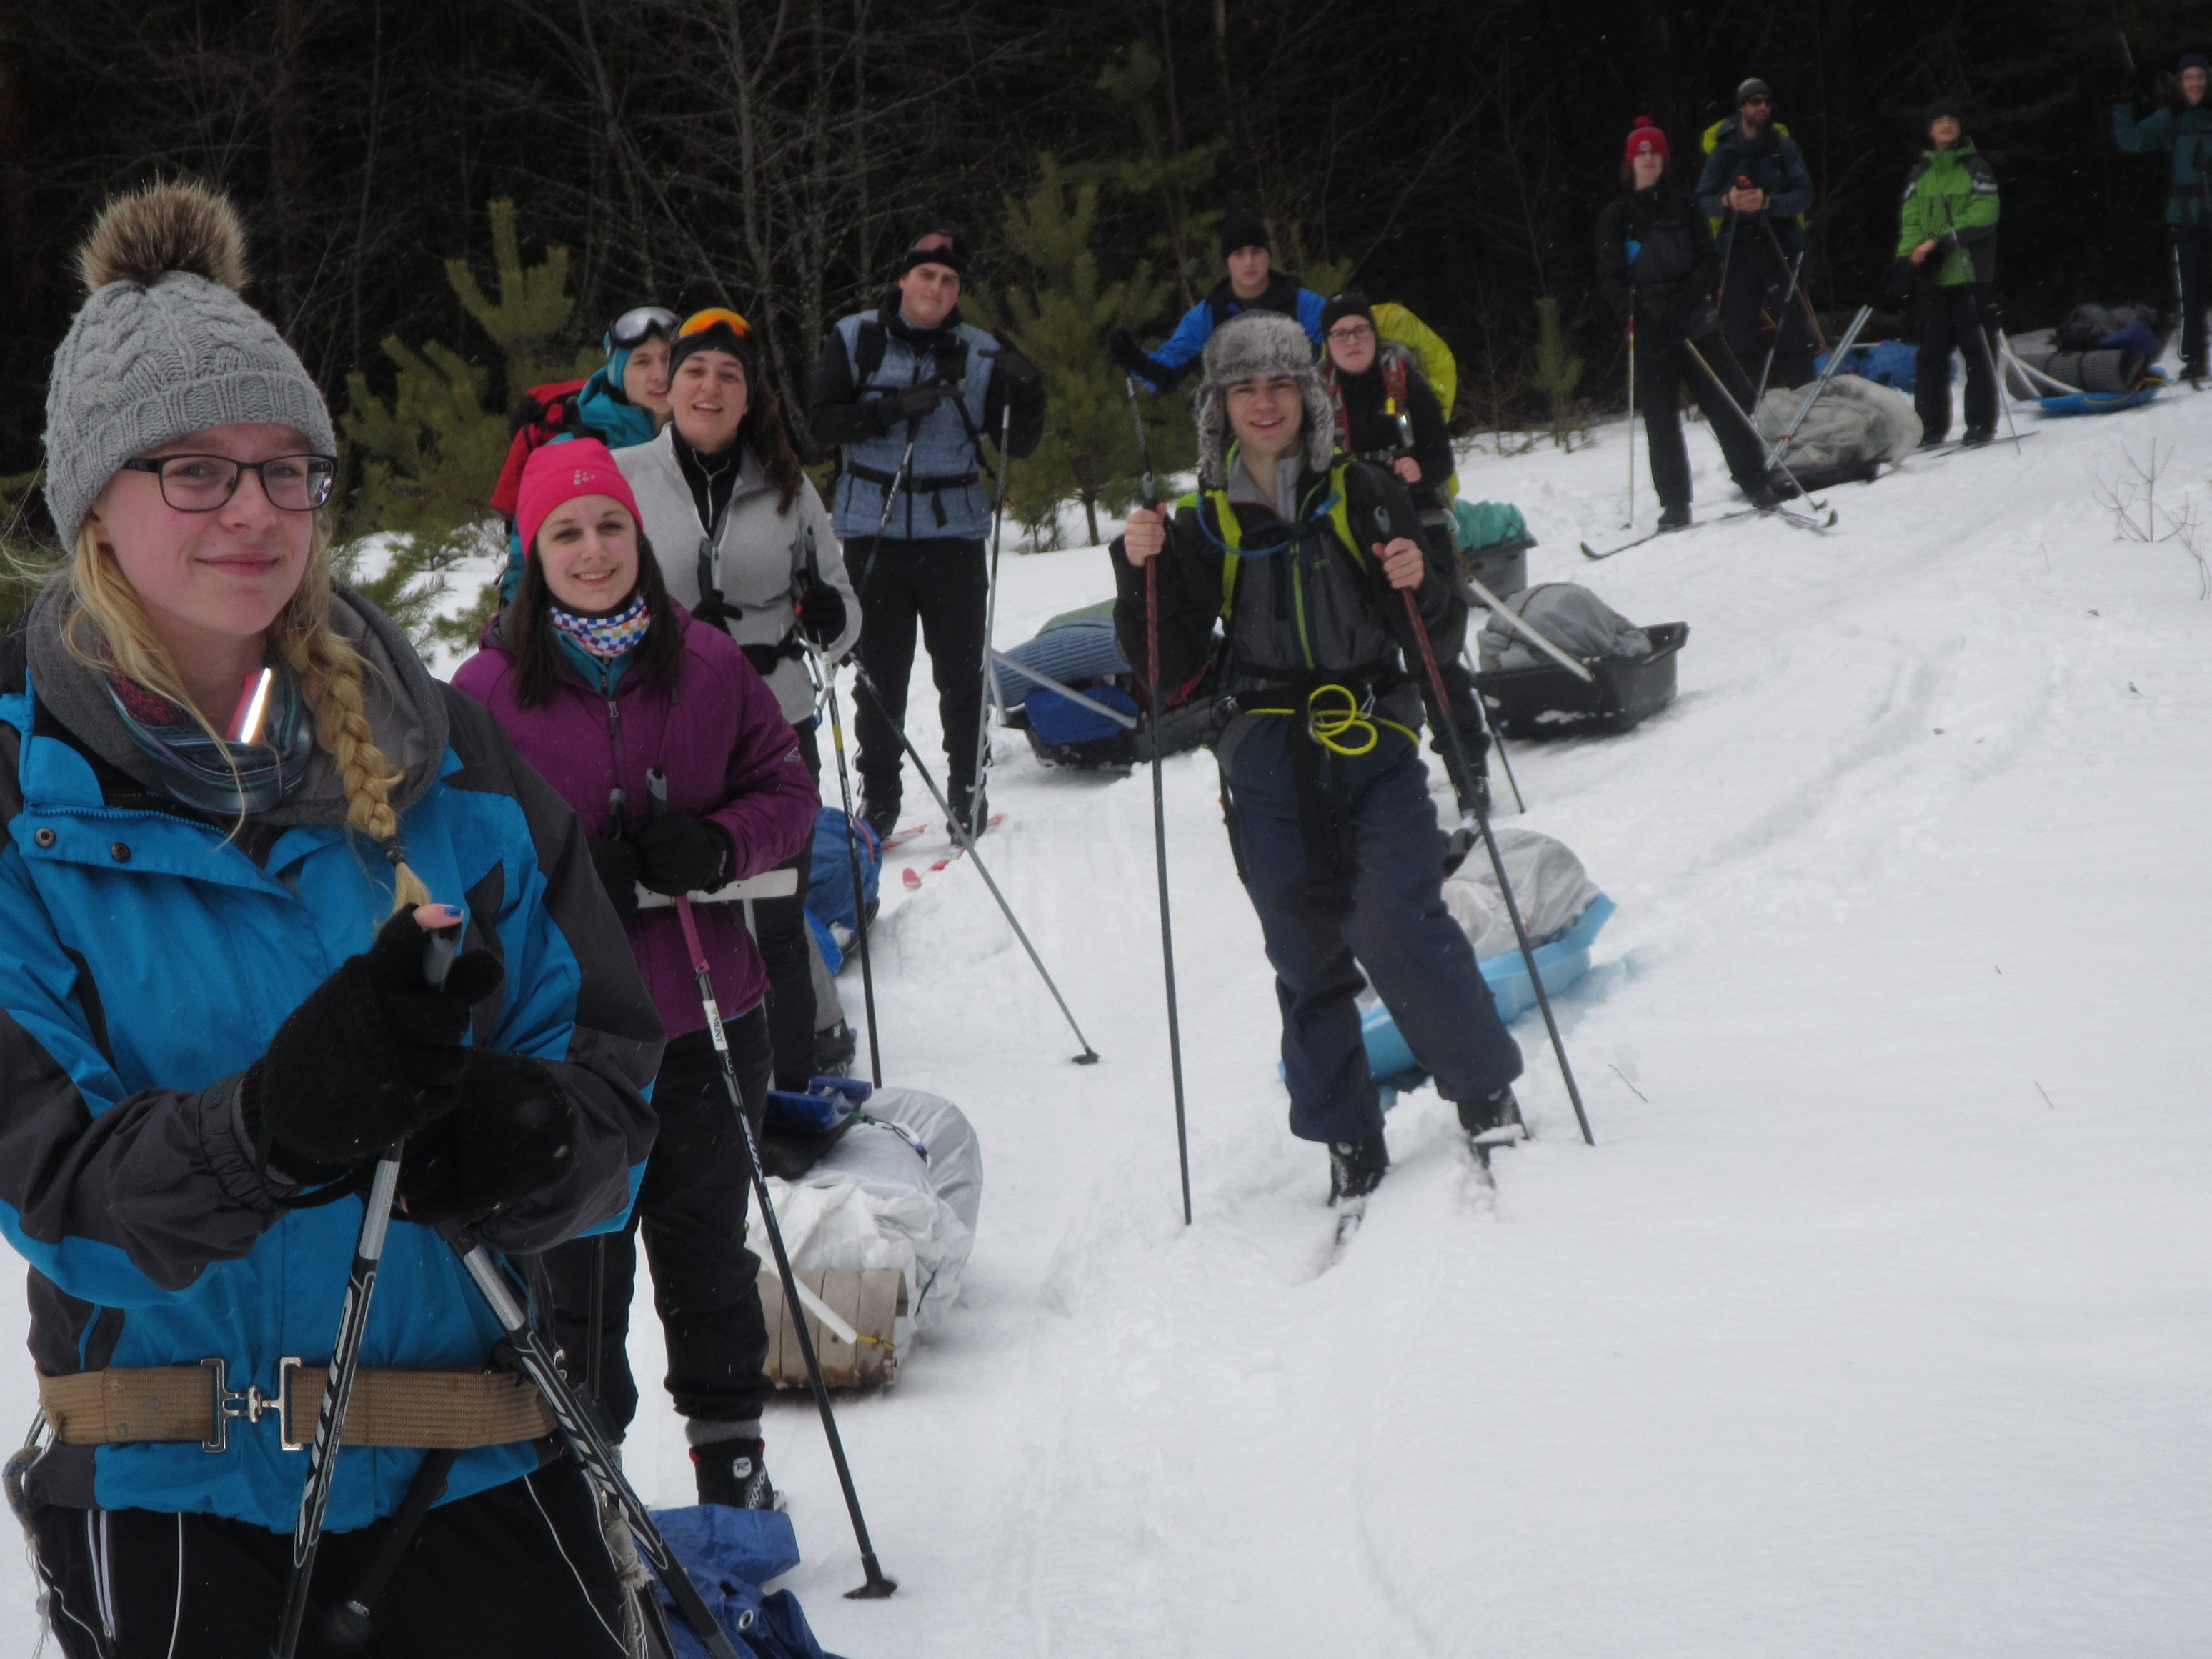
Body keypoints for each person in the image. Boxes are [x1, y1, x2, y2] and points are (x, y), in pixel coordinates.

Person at [1, 180, 659, 1655]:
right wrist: (266, 1131)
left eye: (287, 468)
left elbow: (613, 1075)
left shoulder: (451, 754)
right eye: (194, 469)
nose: (254, 508)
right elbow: (52, 1191)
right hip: (177, 1491)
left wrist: (533, 1141)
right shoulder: (16, 789)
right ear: (94, 498)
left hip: (474, 1462)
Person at [453, 438, 819, 1513]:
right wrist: (561, 881)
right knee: (576, 1273)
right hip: (561, 1038)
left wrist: (719, 845)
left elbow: (787, 795)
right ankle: (588, 1481)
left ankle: (732, 1467)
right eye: (565, 532)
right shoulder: (484, 692)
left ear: (638, 536)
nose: (594, 549)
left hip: (709, 1016)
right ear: (533, 553)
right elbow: (450, 854)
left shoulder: (706, 661)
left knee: (707, 1256)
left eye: (610, 525)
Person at [1110, 312, 1525, 1205]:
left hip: (1374, 748)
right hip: (1265, 767)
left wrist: (1423, 581)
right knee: (1305, 957)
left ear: (1309, 396)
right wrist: (1137, 574)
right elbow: (1165, 673)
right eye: (1244, 389)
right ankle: (1347, 1136)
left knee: (1397, 922)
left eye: (1280, 385)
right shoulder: (1201, 522)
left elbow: (1435, 639)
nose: (1265, 403)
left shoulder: (1364, 492)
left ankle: (1484, 1091)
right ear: (1221, 407)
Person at [617, 307, 859, 1092]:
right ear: (668, 386)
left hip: (775, 728)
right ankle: (687, 1093)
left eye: (729, 374)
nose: (710, 387)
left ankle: (788, 1093)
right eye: (695, 370)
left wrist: (831, 619)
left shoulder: (790, 487)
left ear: (750, 395)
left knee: (777, 922)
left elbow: (845, 611)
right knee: (667, 918)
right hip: (660, 732)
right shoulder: (622, 476)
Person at [807, 231, 1045, 840]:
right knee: (879, 679)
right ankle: (881, 799)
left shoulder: (982, 350)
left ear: (957, 291)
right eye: (927, 275)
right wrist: (888, 410)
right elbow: (821, 423)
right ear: (904, 280)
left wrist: (1029, 393)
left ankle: (968, 790)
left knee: (961, 676)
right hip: (873, 533)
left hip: (953, 536)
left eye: (949, 280)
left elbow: (1017, 444)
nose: (936, 288)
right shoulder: (854, 337)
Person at [1598, 116, 1779, 528]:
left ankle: (1756, 482)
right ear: (1631, 162)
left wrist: (1685, 301)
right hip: (1649, 328)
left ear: (1664, 160)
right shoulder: (1616, 215)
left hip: (1694, 319)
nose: (1649, 160)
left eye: (1655, 154)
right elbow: (1610, 276)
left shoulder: (1686, 205)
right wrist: (1638, 309)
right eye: (1641, 154)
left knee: (1726, 403)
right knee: (1661, 421)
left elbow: (1707, 260)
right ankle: (1675, 504)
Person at [494, 304, 681, 600]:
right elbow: (524, 566)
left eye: (668, 358)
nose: (660, 375)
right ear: (617, 372)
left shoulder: (707, 442)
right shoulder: (567, 452)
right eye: (642, 362)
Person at [1110, 212, 1328, 392]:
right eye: (1239, 254)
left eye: (1256, 252)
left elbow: (1339, 345)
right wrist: (1137, 360)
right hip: (1238, 425)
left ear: (1268, 255)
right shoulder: (1209, 315)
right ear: (1227, 261)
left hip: (1297, 419)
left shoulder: (1303, 304)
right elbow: (1169, 370)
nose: (1249, 262)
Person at [1696, 78, 1818, 391]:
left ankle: (1804, 399)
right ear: (1741, 107)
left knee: (1795, 332)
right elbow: (1701, 201)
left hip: (1780, 244)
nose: (1762, 107)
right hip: (1737, 247)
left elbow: (1805, 195)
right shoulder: (1723, 151)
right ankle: (1748, 407)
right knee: (1741, 335)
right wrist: (1728, 201)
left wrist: (1769, 202)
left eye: (1766, 101)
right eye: (1754, 101)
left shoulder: (1784, 147)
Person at [1896, 100, 2001, 447]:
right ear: (1930, 130)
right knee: (1930, 354)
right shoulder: (1919, 173)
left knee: (1978, 352)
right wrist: (1907, 257)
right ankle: (1929, 427)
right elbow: (1911, 219)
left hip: (1971, 275)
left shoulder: (1977, 168)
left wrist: (1941, 241)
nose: (1946, 125)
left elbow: (1984, 214)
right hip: (1933, 278)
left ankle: (1981, 423)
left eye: (1952, 120)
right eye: (1939, 120)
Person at [2114, 50, 2212, 386]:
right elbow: (2130, 139)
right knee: (2192, 291)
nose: (2195, 84)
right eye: (2189, 78)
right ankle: (2194, 358)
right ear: (2179, 83)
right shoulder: (2171, 118)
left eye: (2201, 77)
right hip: (2186, 217)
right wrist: (2125, 103)